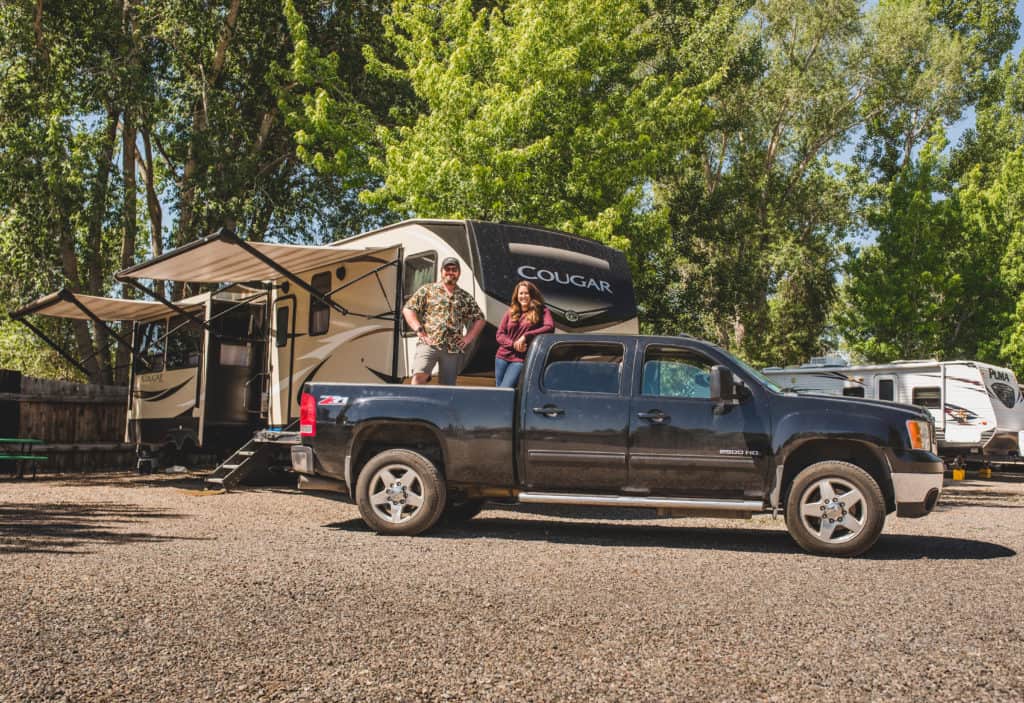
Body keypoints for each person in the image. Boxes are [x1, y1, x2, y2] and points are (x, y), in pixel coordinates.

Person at [403, 256, 485, 385]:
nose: (450, 272)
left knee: (447, 387)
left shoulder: (465, 297)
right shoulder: (428, 290)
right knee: (419, 377)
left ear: (459, 273)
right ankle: (415, 405)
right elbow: (408, 309)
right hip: (429, 342)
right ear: (441, 271)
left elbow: (480, 319)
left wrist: (468, 338)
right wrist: (419, 330)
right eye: (447, 269)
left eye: (454, 269)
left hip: (452, 348)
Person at [494, 280, 554, 388]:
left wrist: (526, 336)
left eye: (526, 293)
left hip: (520, 359)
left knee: (505, 389)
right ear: (517, 296)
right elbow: (500, 334)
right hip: (501, 357)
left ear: (532, 295)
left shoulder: (542, 311)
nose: (523, 296)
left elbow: (550, 327)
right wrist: (513, 344)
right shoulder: (511, 311)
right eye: (520, 293)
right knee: (500, 391)